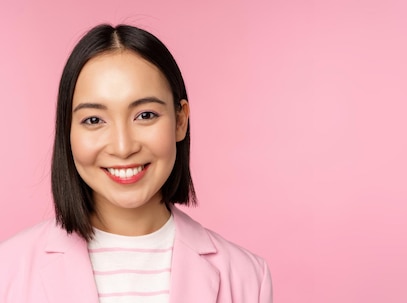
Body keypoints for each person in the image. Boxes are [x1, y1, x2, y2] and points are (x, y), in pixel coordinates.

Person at [0, 24, 273, 303]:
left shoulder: (248, 277)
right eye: (94, 120)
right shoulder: (7, 271)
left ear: (180, 121)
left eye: (145, 115)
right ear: (67, 131)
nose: (123, 147)